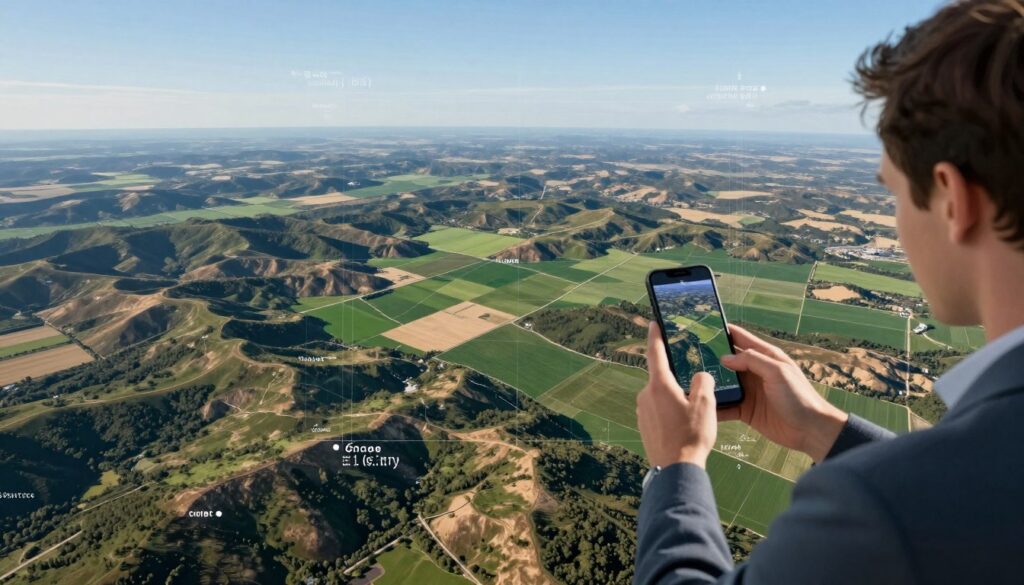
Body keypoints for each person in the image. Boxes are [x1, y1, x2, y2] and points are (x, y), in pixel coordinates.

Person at [633, 1, 1024, 583]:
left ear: (952, 199)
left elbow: (930, 500)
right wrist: (822, 426)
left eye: (893, 195)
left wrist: (676, 465)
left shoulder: (879, 512)